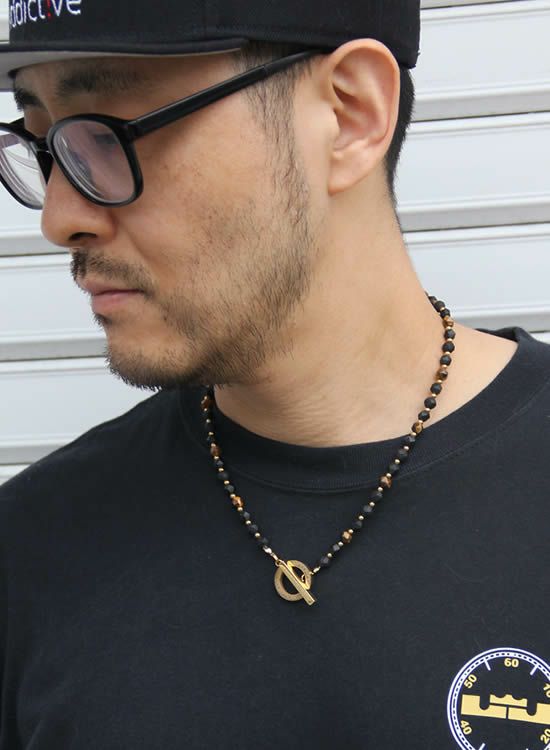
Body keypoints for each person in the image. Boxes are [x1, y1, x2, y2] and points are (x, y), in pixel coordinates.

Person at [0, 1, 548, 748]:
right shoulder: (31, 552)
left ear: (348, 115)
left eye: (107, 134)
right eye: (44, 146)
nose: (59, 218)